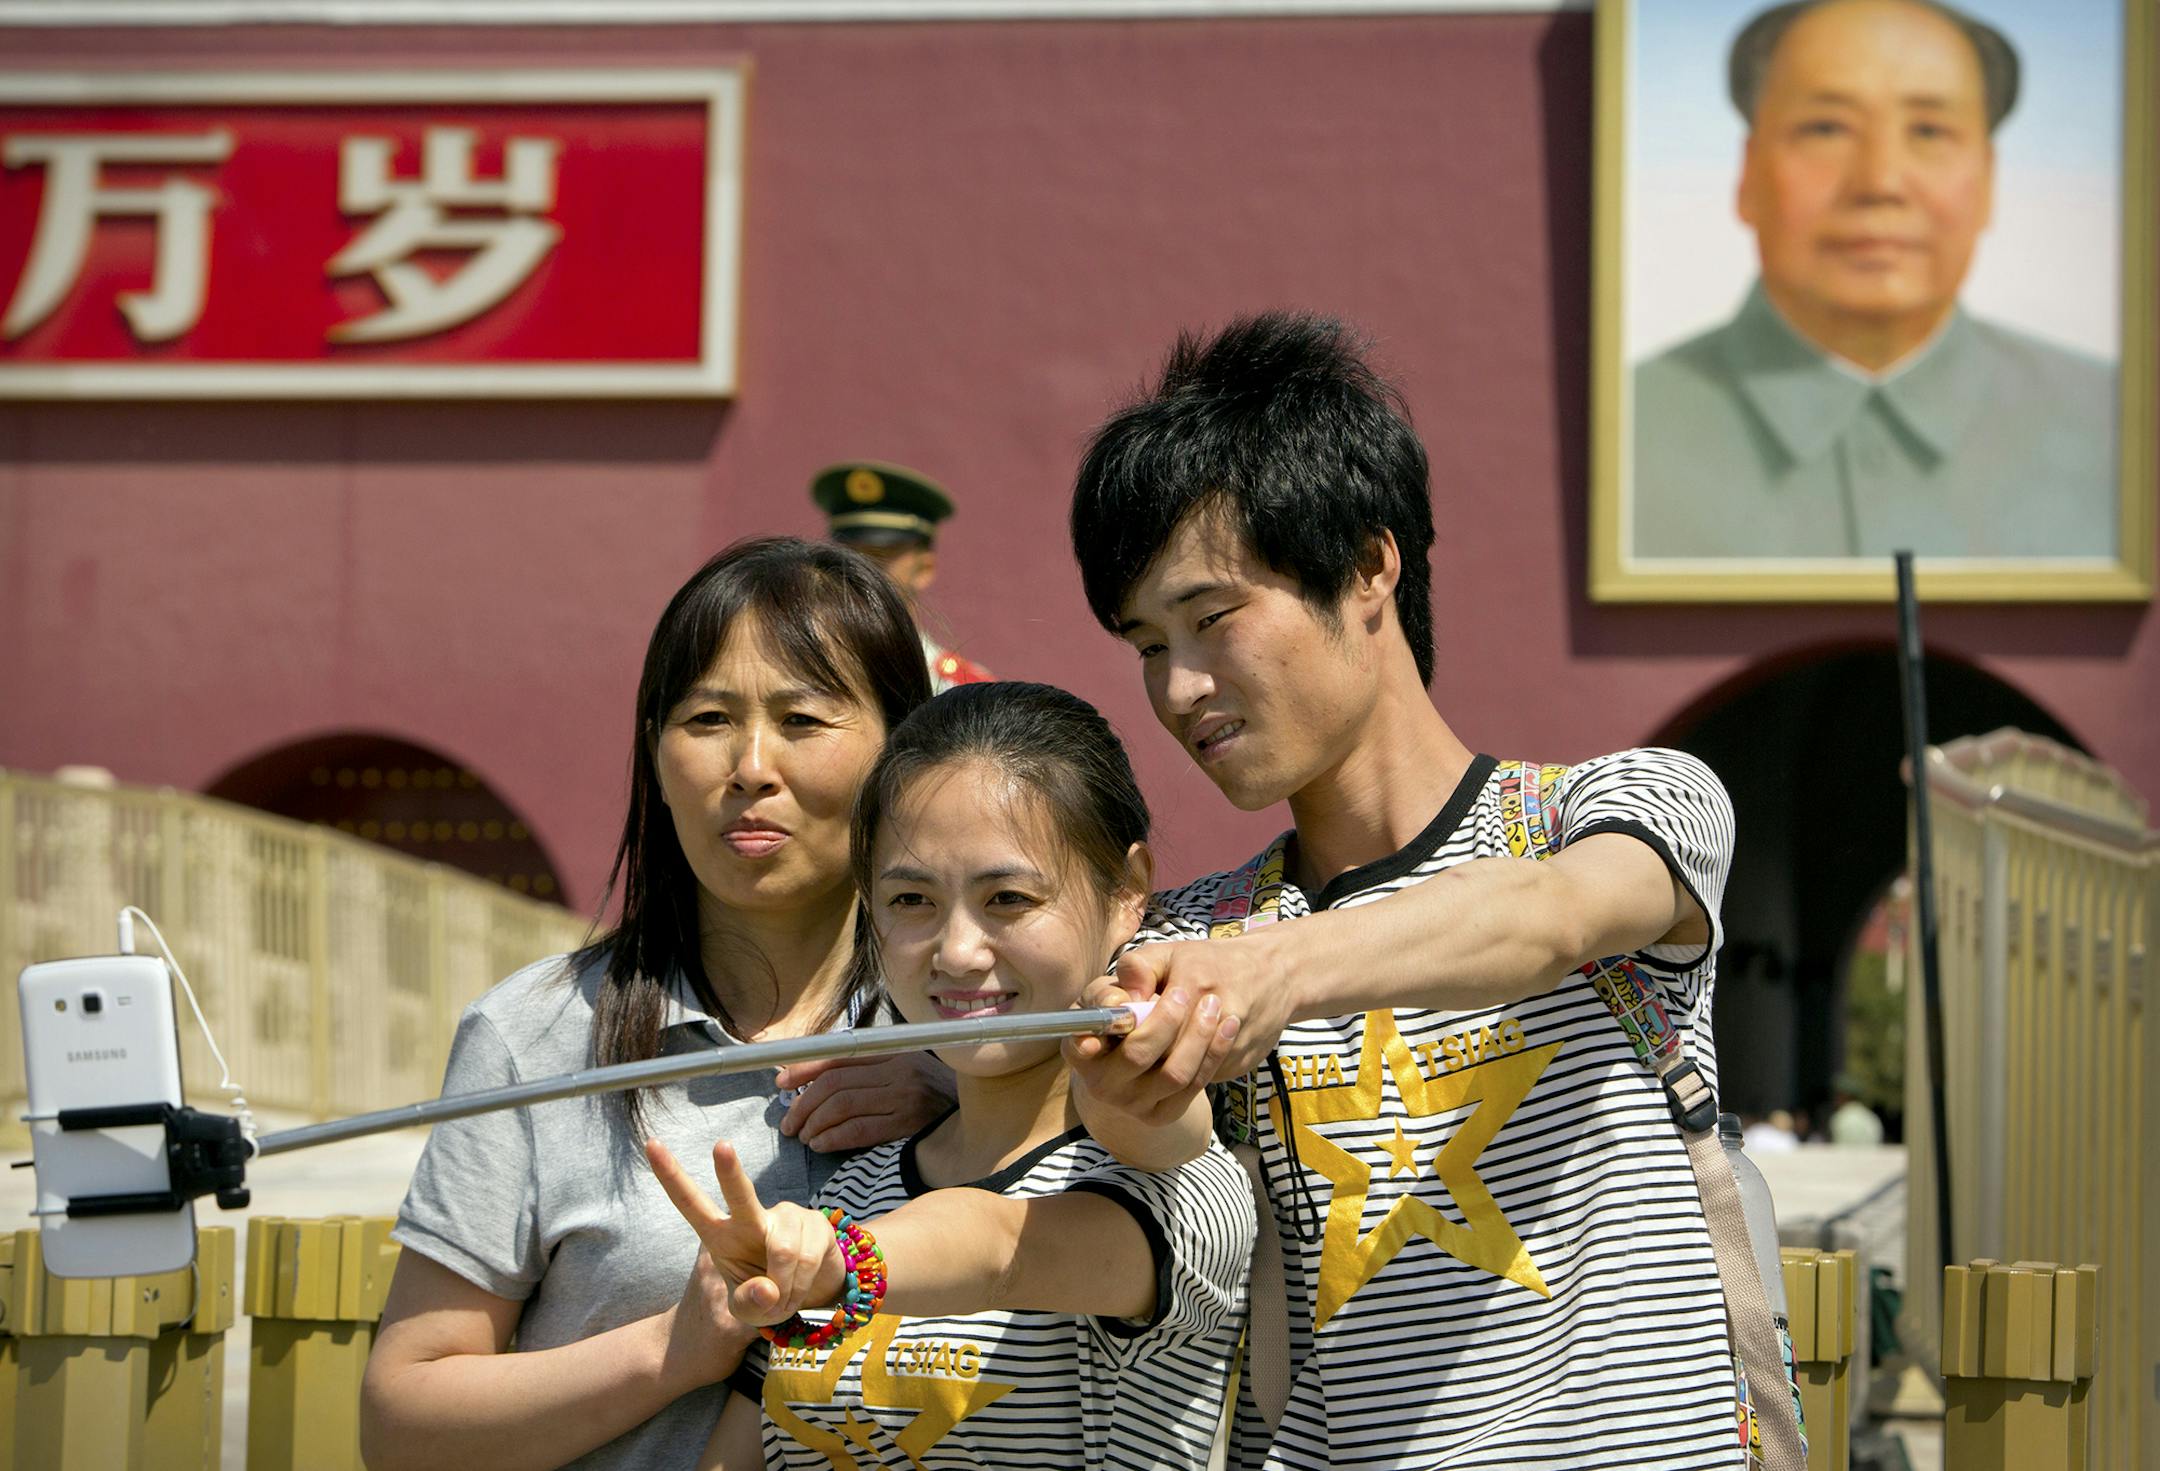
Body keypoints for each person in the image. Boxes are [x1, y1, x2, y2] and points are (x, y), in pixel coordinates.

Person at [1064, 313, 1791, 1469]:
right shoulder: (1195, 934)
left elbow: (1553, 918)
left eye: (1210, 619)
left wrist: (1271, 974)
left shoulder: (1616, 804)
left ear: (1367, 565)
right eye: (1146, 644)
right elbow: (1156, 1167)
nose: (1180, 688)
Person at [361, 537, 955, 1471]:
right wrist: (669, 1351)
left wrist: (960, 1084)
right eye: (710, 717)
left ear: (902, 749)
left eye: (804, 718)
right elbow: (404, 1425)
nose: (751, 766)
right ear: (655, 747)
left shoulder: (984, 1023)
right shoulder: (534, 1036)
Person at [651, 681, 1252, 1469]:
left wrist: (843, 1264)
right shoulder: (848, 1193)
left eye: (1007, 897)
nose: (958, 952)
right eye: (912, 899)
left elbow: (1004, 1246)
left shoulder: (1188, 1191)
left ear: (1126, 892)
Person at [1632, 0, 2116, 560]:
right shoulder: (1624, 434)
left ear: (1988, 181)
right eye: (1826, 128)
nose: (1880, 182)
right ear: (1746, 174)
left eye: (1930, 131)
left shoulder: (2120, 427)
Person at [811, 460, 996, 692]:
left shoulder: (961, 691)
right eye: (848, 555)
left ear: (924, 569)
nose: (860, 568)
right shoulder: (800, 671)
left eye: (881, 556)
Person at [1827, 1075, 1886, 1146]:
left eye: (1838, 1095)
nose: (1835, 1099)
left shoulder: (1840, 1117)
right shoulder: (1872, 1118)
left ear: (1845, 1096)